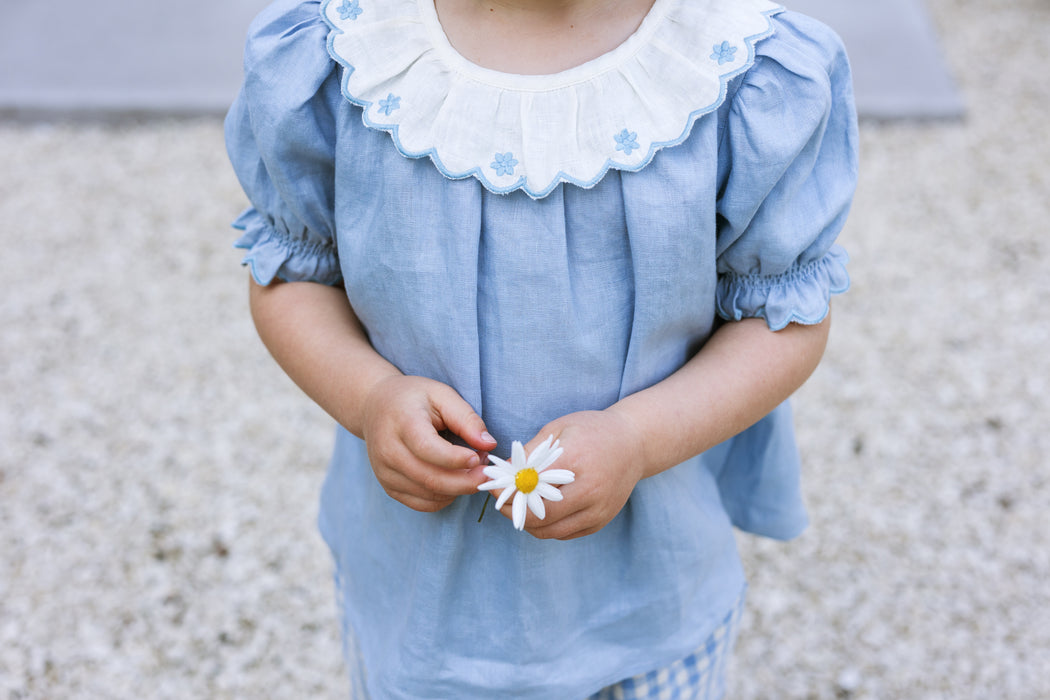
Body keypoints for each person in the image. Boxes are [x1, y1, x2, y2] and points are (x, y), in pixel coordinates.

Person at [224, 0, 858, 695]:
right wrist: (370, 397)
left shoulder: (733, 67)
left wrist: (637, 440)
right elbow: (292, 273)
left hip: (644, 605)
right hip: (420, 600)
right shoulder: (348, 48)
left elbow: (782, 318)